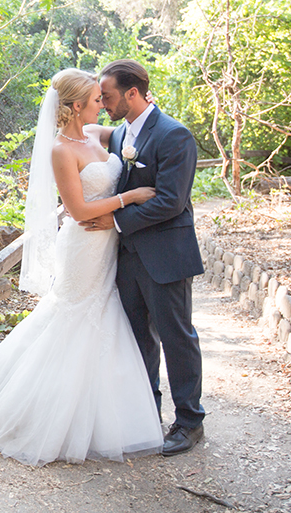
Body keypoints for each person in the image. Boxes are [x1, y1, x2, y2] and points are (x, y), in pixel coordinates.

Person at [0, 68, 164, 465]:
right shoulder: (61, 150)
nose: (104, 105)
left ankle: (101, 415)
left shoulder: (97, 135)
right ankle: (38, 411)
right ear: (77, 105)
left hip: (108, 243)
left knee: (103, 319)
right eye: (98, 100)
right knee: (73, 317)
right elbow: (77, 210)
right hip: (84, 245)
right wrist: (127, 198)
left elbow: (141, 132)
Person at [85, 59, 206, 457]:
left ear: (132, 93)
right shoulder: (120, 135)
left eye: (108, 96)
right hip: (128, 258)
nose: (103, 103)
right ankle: (146, 414)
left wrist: (114, 221)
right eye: (100, 97)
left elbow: (171, 202)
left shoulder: (175, 135)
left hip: (166, 255)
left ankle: (189, 422)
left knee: (177, 338)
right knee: (138, 340)